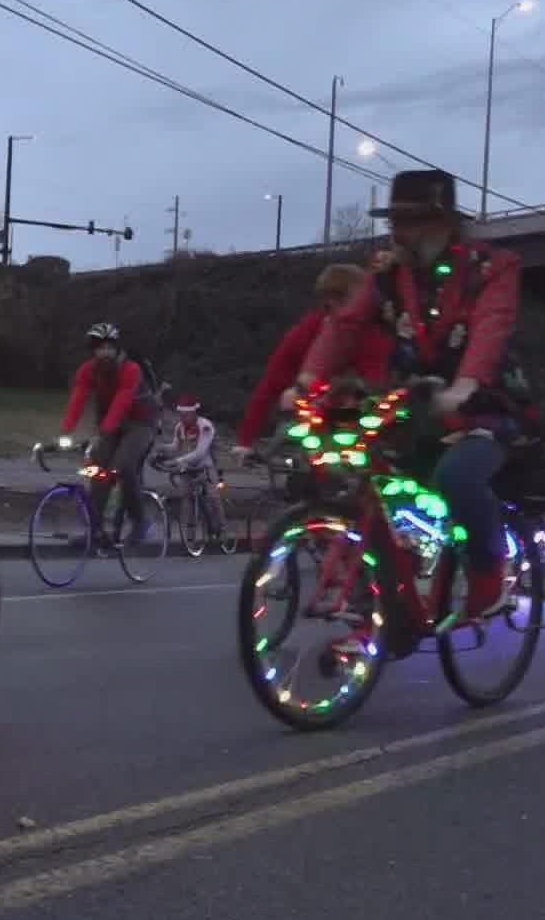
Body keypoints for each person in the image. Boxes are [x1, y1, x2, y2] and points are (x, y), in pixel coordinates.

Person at [292, 170, 524, 649]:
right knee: (358, 474)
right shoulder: (388, 275)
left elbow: (491, 326)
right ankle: (385, 609)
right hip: (414, 402)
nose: (398, 232)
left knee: (458, 479)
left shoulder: (490, 268)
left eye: (411, 221)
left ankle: (488, 580)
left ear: (441, 224)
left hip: (484, 404)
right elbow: (344, 325)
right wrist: (304, 383)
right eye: (396, 221)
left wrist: (465, 386)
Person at [235, 262, 388, 450]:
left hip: (359, 419)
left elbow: (376, 383)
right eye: (329, 298)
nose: (333, 305)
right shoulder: (305, 333)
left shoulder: (372, 335)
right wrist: (245, 442)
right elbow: (270, 385)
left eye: (340, 297)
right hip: (312, 420)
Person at [60, 323, 159, 546]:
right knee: (97, 470)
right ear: (93, 350)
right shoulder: (88, 370)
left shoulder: (130, 369)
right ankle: (95, 531)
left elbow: (123, 401)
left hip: (140, 423)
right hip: (111, 423)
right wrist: (66, 430)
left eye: (109, 347)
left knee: (123, 466)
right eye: (100, 348)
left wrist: (103, 431)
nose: (105, 352)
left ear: (116, 348)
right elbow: (78, 398)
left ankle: (139, 521)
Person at [157, 395, 224, 531]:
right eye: (181, 414)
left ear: (193, 413)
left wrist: (177, 461)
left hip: (206, 467)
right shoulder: (180, 427)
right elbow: (175, 446)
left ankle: (222, 528)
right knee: (186, 498)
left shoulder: (205, 426)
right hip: (187, 467)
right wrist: (161, 447)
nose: (182, 418)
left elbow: (200, 452)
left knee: (213, 497)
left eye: (185, 415)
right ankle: (190, 533)